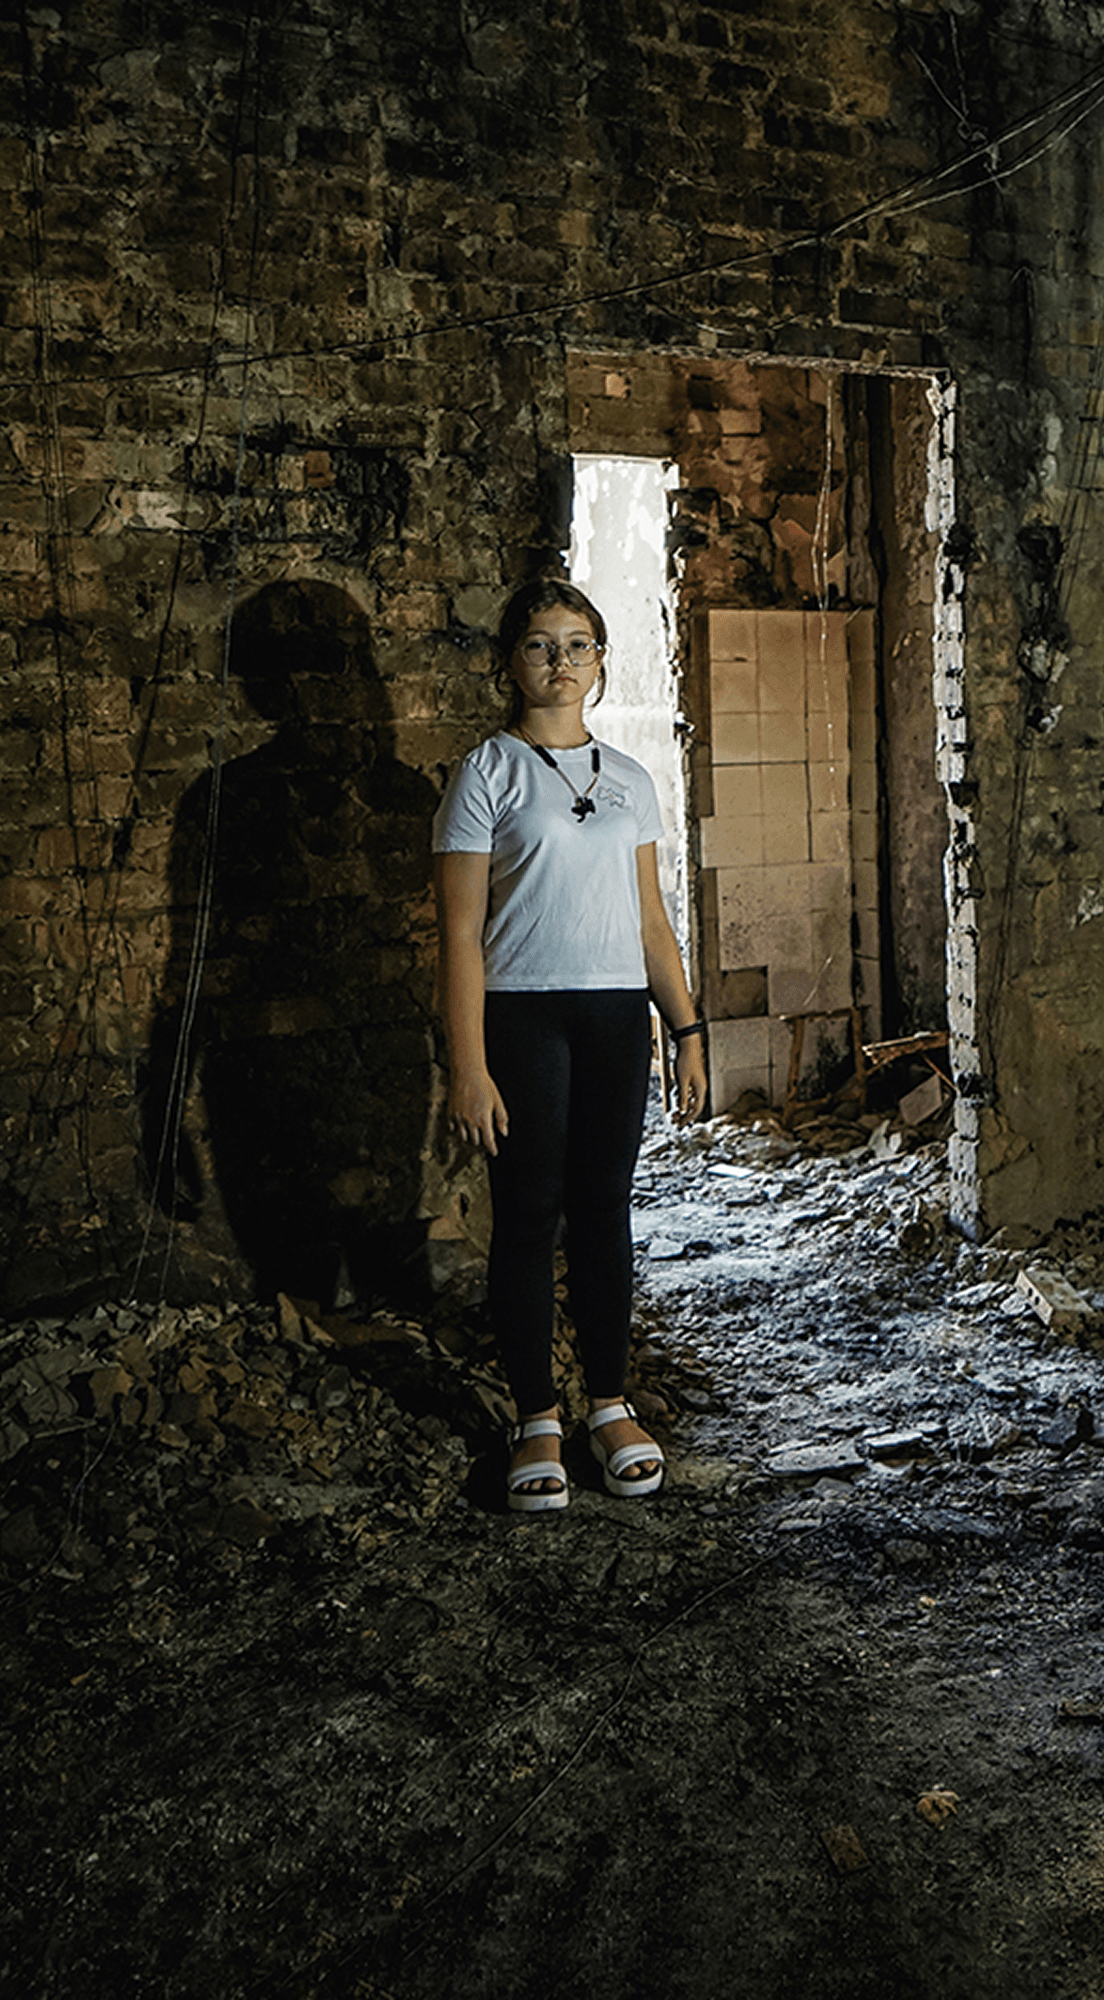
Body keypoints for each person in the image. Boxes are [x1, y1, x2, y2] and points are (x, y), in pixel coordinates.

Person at [433, 577, 704, 1513]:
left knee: (604, 1211)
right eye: (541, 644)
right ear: (511, 662)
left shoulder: (629, 780)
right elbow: (459, 935)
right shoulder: (487, 773)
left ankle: (608, 1404)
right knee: (528, 1213)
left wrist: (687, 1027)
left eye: (578, 643)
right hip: (522, 1018)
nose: (561, 661)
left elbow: (653, 923)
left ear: (600, 661)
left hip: (615, 1016)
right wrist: (468, 1066)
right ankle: (536, 1419)